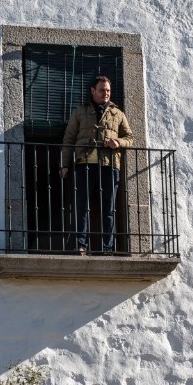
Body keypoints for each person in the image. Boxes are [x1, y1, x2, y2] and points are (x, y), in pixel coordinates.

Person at [60, 76, 134, 255]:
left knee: (108, 209)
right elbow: (69, 139)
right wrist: (64, 165)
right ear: (93, 91)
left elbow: (130, 138)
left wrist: (118, 142)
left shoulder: (118, 114)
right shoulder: (79, 112)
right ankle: (81, 245)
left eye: (108, 90)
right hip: (84, 165)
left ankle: (107, 247)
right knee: (81, 206)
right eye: (102, 90)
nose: (105, 93)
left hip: (109, 166)